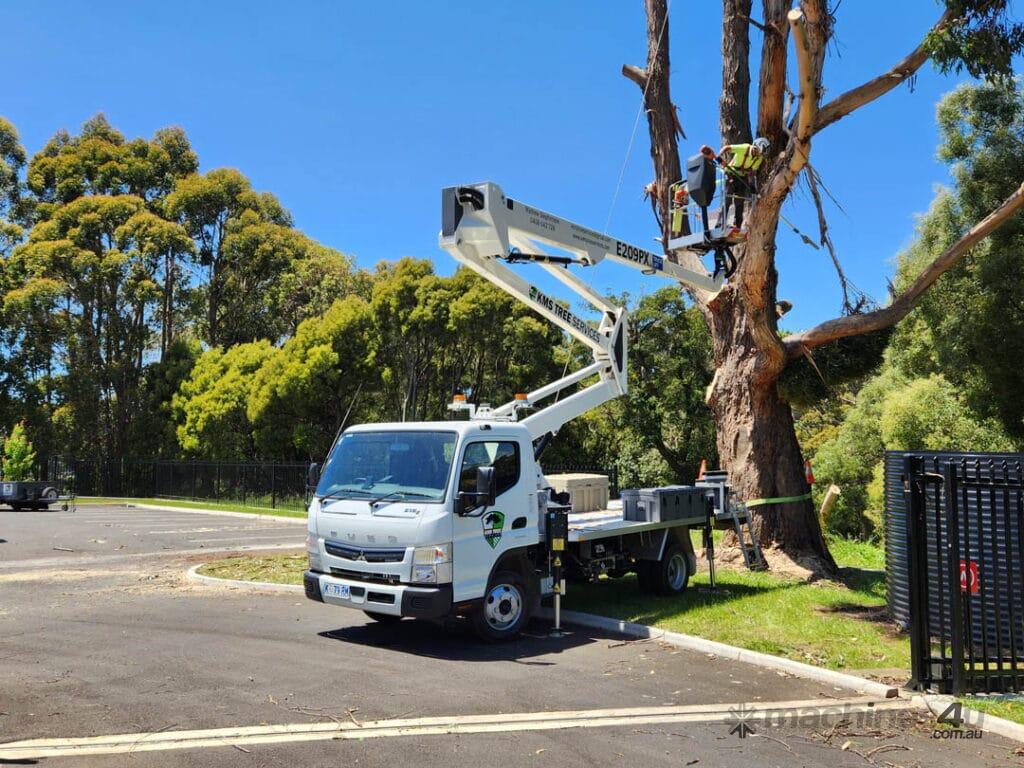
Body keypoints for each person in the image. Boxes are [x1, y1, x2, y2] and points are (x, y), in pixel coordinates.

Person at [704, 137, 769, 232]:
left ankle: (737, 226)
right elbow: (727, 147)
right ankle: (720, 223)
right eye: (759, 152)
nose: (759, 155)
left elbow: (752, 172)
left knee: (740, 202)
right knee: (727, 199)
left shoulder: (759, 158)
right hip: (731, 175)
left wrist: (751, 185)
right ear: (756, 147)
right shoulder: (744, 148)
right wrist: (718, 156)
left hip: (742, 178)